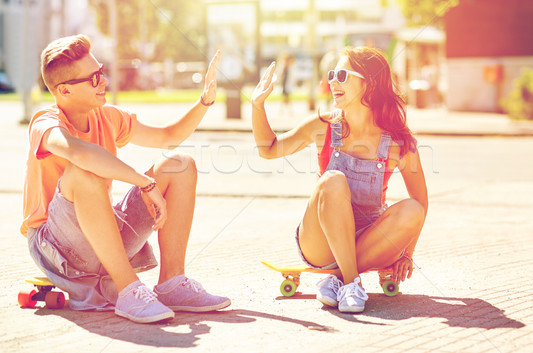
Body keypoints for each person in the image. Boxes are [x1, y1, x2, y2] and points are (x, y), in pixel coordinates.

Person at [22, 35, 230, 323]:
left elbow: (167, 136)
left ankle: (172, 283)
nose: (104, 81)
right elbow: (80, 154)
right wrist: (144, 183)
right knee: (83, 172)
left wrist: (205, 100)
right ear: (65, 90)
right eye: (93, 78)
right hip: (56, 249)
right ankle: (128, 290)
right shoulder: (45, 122)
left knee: (179, 164)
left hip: (101, 238)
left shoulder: (107, 116)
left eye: (101, 72)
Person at [251, 46, 428, 313]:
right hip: (319, 243)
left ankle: (337, 279)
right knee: (332, 180)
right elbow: (268, 149)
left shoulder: (398, 142)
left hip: (368, 241)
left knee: (413, 209)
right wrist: (257, 105)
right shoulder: (321, 126)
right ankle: (351, 282)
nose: (333, 81)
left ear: (369, 84)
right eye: (332, 74)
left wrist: (407, 252)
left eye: (342, 75)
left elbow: (420, 202)